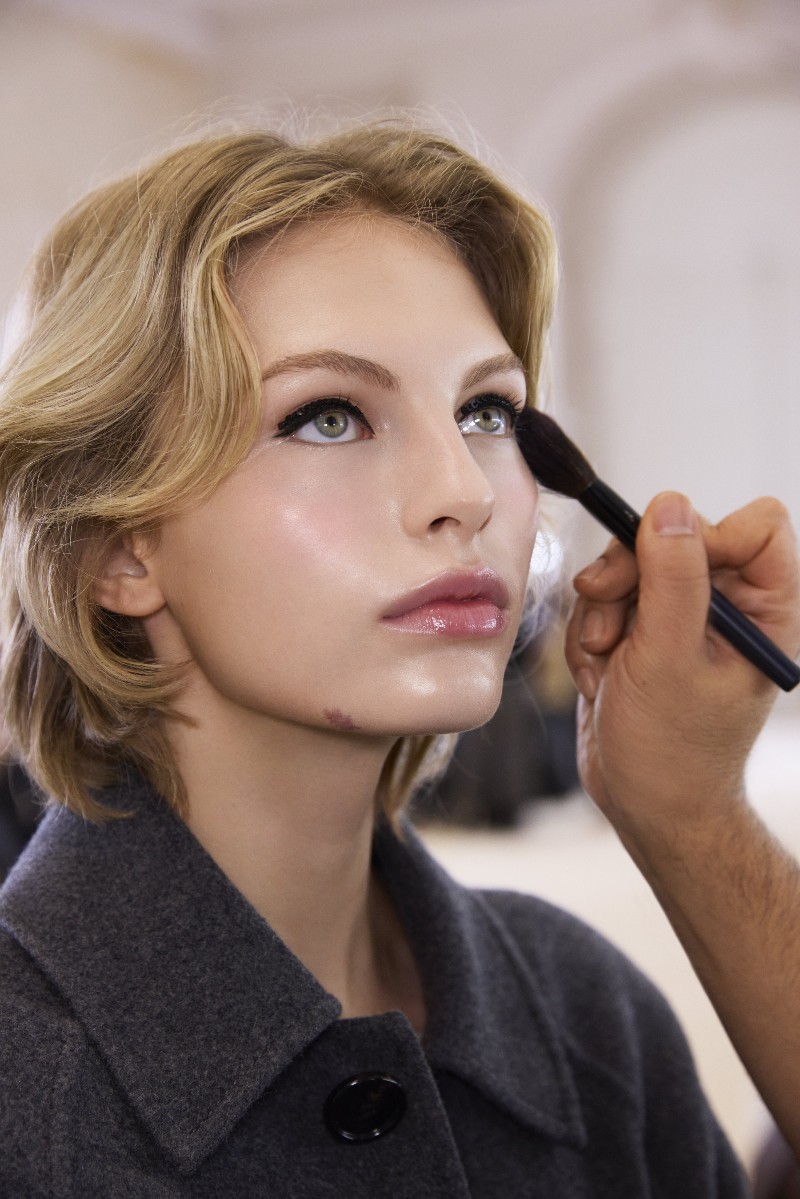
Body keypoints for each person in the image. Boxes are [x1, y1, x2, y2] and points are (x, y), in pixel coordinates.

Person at [0, 121, 796, 1197]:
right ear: (115, 549)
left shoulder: (586, 1008)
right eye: (327, 416)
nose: (464, 490)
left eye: (484, 410)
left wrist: (694, 819)